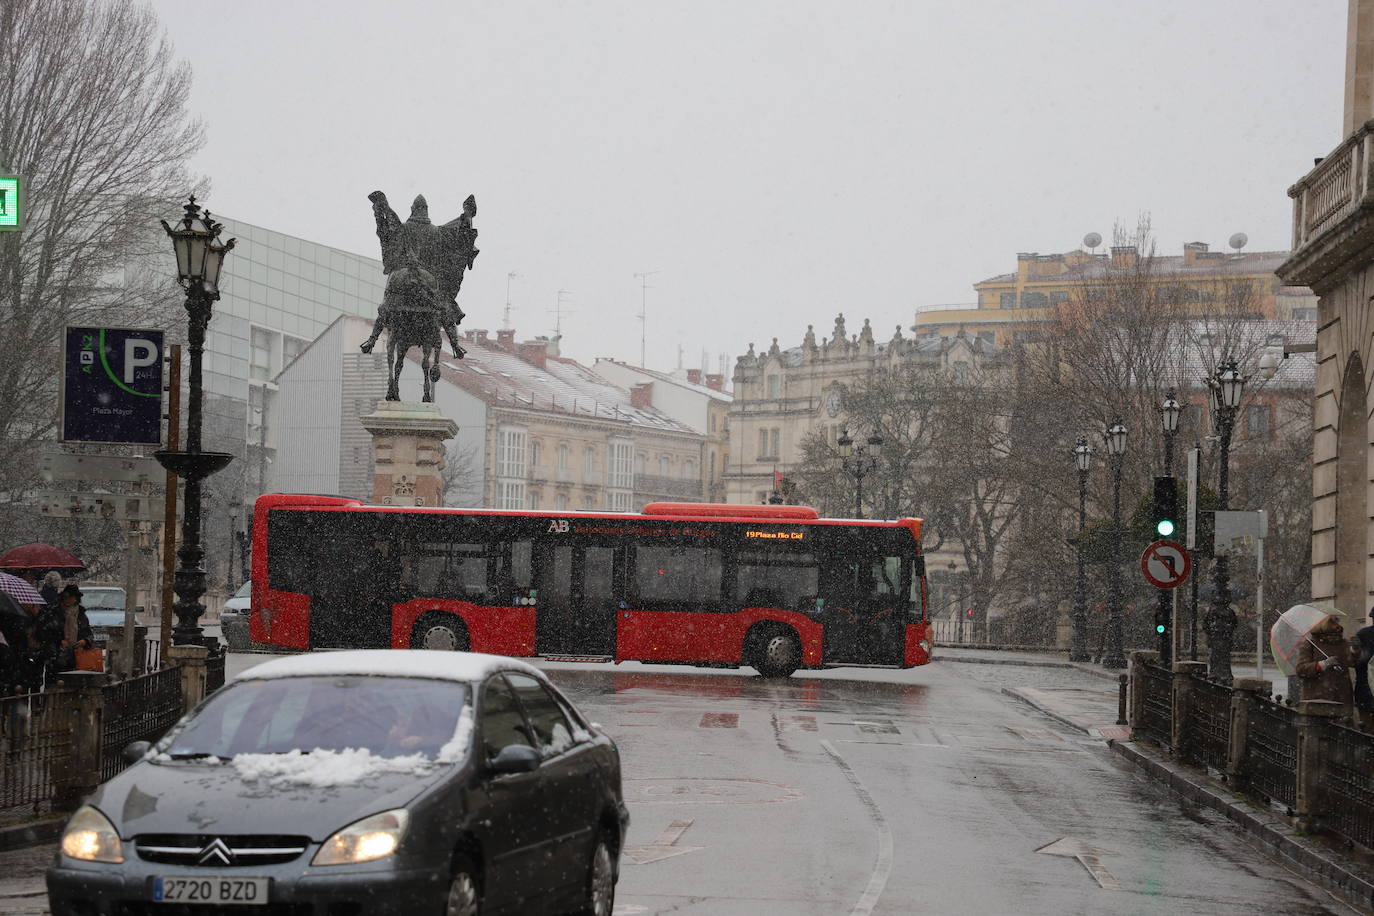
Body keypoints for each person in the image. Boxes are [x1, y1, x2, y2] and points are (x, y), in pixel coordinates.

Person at [1295, 614, 1359, 709]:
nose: (1336, 625)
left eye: (1336, 622)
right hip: (1316, 698)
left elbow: (1353, 663)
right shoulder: (1310, 644)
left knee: (1340, 724)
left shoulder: (1343, 643)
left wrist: (1355, 650)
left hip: (1341, 698)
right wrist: (1323, 664)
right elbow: (1301, 670)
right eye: (1331, 622)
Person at [37, 584, 94, 677]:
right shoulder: (54, 612)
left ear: (76, 599)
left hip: (76, 657)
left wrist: (85, 641)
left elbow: (88, 633)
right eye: (66, 597)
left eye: (71, 597)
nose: (68, 600)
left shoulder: (81, 614)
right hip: (56, 656)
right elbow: (45, 632)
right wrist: (59, 641)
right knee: (55, 683)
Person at [1354, 608, 1374, 730]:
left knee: (1365, 730)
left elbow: (1355, 663)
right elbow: (1356, 662)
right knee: (1366, 728)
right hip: (1365, 691)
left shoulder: (1363, 634)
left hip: (1364, 690)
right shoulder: (1363, 635)